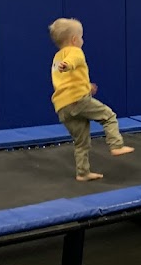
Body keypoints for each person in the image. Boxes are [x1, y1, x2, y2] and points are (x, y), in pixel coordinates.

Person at [49, 18, 134, 181]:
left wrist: (86, 86)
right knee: (109, 116)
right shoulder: (75, 52)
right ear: (74, 39)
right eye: (81, 37)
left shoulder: (56, 58)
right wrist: (68, 65)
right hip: (77, 100)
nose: (82, 40)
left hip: (62, 106)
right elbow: (72, 61)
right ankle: (116, 145)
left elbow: (67, 81)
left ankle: (83, 173)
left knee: (81, 141)